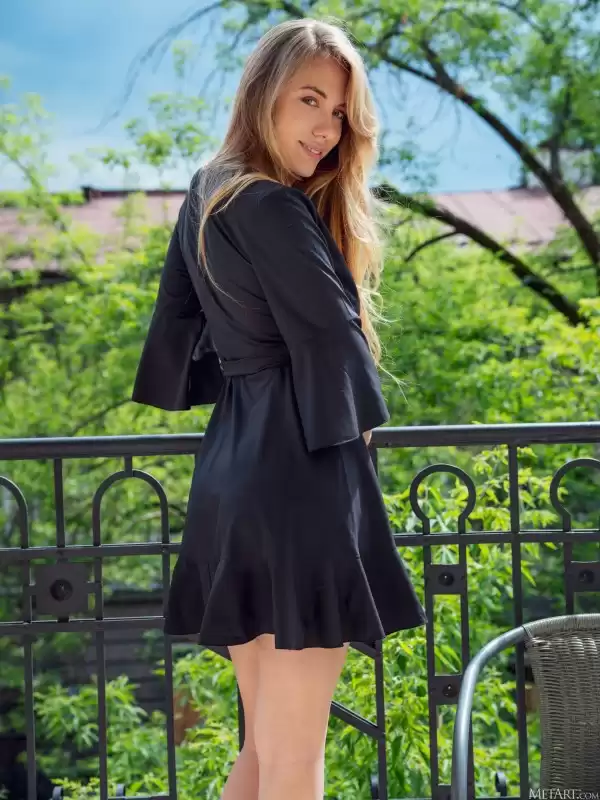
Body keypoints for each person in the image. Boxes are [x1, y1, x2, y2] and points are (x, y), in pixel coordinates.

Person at [131, 17, 427, 800]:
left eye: (341, 113)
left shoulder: (209, 190)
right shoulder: (270, 205)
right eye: (311, 101)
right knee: (296, 760)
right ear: (263, 92)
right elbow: (334, 342)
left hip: (232, 471)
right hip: (300, 479)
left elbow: (180, 325)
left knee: (264, 753)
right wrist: (359, 467)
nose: (328, 131)